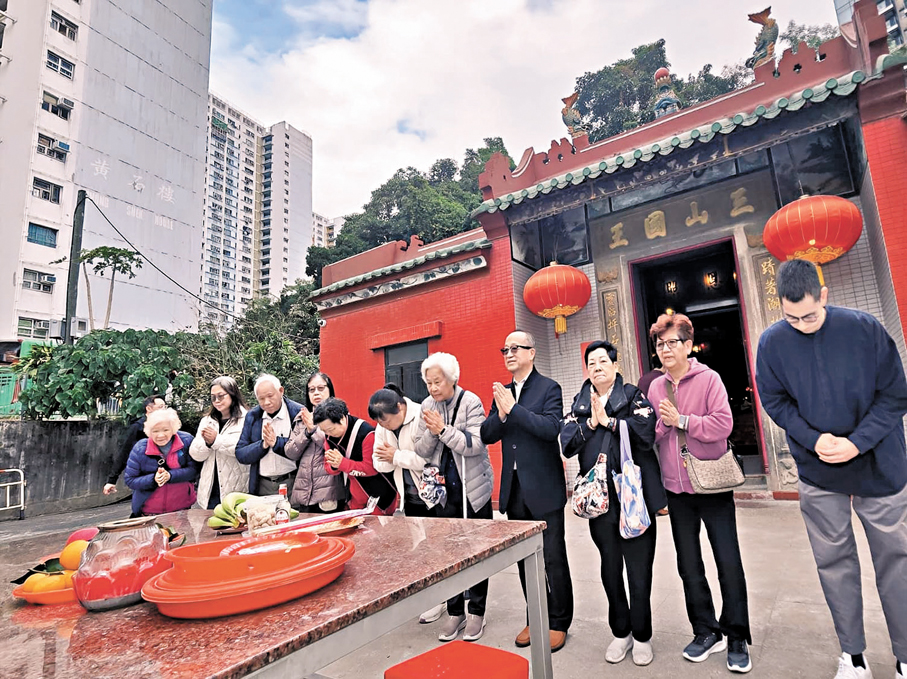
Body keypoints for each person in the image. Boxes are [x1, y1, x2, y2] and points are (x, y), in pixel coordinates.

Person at [755, 259, 907, 679]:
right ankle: (853, 656)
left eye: (809, 314)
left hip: (879, 462)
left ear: (824, 295)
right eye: (791, 317)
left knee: (898, 558)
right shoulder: (772, 343)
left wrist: (857, 441)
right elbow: (775, 401)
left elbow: (895, 395)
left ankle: (905, 655)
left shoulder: (864, 328)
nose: (802, 324)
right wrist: (813, 437)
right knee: (833, 561)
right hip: (819, 467)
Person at [647, 313, 753, 673]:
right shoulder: (655, 388)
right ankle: (706, 629)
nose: (664, 350)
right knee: (688, 564)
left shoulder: (709, 379)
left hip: (711, 483)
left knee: (727, 560)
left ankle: (736, 633)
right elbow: (653, 435)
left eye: (671, 343)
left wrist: (684, 421)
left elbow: (724, 425)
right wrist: (663, 425)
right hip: (677, 490)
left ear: (688, 345)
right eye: (659, 344)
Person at [560, 340, 666, 666]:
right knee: (610, 569)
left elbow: (647, 432)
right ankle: (621, 632)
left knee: (638, 571)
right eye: (591, 362)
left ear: (615, 366)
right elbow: (566, 444)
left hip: (634, 500)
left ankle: (643, 634)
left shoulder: (633, 396)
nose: (597, 367)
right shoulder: (579, 403)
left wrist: (610, 422)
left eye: (603, 361)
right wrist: (591, 422)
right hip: (601, 504)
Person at [480, 330, 573, 653]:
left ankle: (559, 621)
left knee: (552, 557)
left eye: (515, 348)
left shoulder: (549, 388)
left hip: (544, 488)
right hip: (515, 489)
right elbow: (487, 434)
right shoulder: (502, 393)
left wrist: (514, 410)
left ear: (532, 353)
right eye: (504, 349)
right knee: (524, 560)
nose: (509, 353)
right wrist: (503, 412)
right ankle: (535, 615)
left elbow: (550, 430)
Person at [413, 353, 495, 643]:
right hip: (442, 493)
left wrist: (443, 430)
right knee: (446, 553)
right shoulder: (426, 406)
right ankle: (455, 611)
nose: (433, 388)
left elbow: (474, 445)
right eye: (429, 383)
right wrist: (433, 433)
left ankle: (476, 612)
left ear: (452, 379)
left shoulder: (471, 401)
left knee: (476, 552)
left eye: (438, 382)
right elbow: (421, 449)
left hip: (472, 491)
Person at [313, 397, 398, 515]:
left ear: (342, 418)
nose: (328, 434)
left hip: (379, 497)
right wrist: (334, 466)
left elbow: (372, 469)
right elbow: (328, 467)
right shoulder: (329, 437)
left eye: (330, 429)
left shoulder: (367, 433)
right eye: (323, 431)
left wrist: (342, 463)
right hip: (354, 498)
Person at [286, 372, 344, 513]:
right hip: (304, 490)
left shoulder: (340, 415)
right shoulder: (301, 418)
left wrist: (314, 429)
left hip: (329, 491)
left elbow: (336, 447)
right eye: (311, 390)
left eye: (321, 388)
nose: (316, 393)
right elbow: (290, 452)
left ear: (329, 389)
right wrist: (306, 433)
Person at [124, 408, 198, 517]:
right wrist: (153, 479)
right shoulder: (140, 448)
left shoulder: (186, 441)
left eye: (165, 430)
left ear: (173, 429)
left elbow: (194, 470)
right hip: (149, 513)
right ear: (149, 431)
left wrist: (170, 476)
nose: (160, 435)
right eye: (155, 431)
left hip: (181, 511)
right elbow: (130, 480)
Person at [236, 374, 302, 496]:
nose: (267, 402)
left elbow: (303, 449)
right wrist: (263, 445)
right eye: (261, 399)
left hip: (293, 481)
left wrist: (277, 443)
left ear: (281, 391)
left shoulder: (297, 412)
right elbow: (241, 454)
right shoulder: (253, 416)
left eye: (270, 396)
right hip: (262, 484)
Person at [189, 376, 250, 510]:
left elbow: (244, 450)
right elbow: (195, 454)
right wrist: (207, 444)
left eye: (221, 396)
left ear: (232, 394)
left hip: (235, 488)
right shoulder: (207, 420)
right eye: (213, 397)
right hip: (209, 489)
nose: (216, 401)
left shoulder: (246, 419)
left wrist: (216, 440)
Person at [103, 395, 166, 494]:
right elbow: (125, 452)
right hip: (145, 477)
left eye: (165, 407)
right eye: (160, 407)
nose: (164, 410)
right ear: (149, 409)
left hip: (165, 475)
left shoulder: (168, 427)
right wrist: (112, 480)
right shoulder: (137, 428)